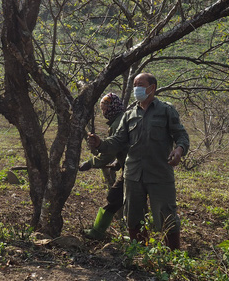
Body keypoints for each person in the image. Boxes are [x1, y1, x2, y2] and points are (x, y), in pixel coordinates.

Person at [87, 73, 189, 250]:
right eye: (134, 85)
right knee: (133, 217)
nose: (137, 88)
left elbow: (181, 134)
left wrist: (179, 150)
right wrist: (101, 144)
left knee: (167, 216)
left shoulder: (166, 110)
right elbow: (118, 140)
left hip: (160, 174)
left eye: (140, 84)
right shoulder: (129, 115)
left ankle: (174, 256)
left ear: (152, 88)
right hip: (133, 175)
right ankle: (140, 254)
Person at [78, 92, 128, 240]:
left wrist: (90, 163)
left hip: (134, 170)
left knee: (115, 197)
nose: (104, 111)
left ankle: (97, 232)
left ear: (114, 107)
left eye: (106, 108)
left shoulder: (118, 123)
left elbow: (110, 151)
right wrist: (119, 163)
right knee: (122, 199)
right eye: (102, 108)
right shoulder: (120, 120)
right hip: (133, 167)